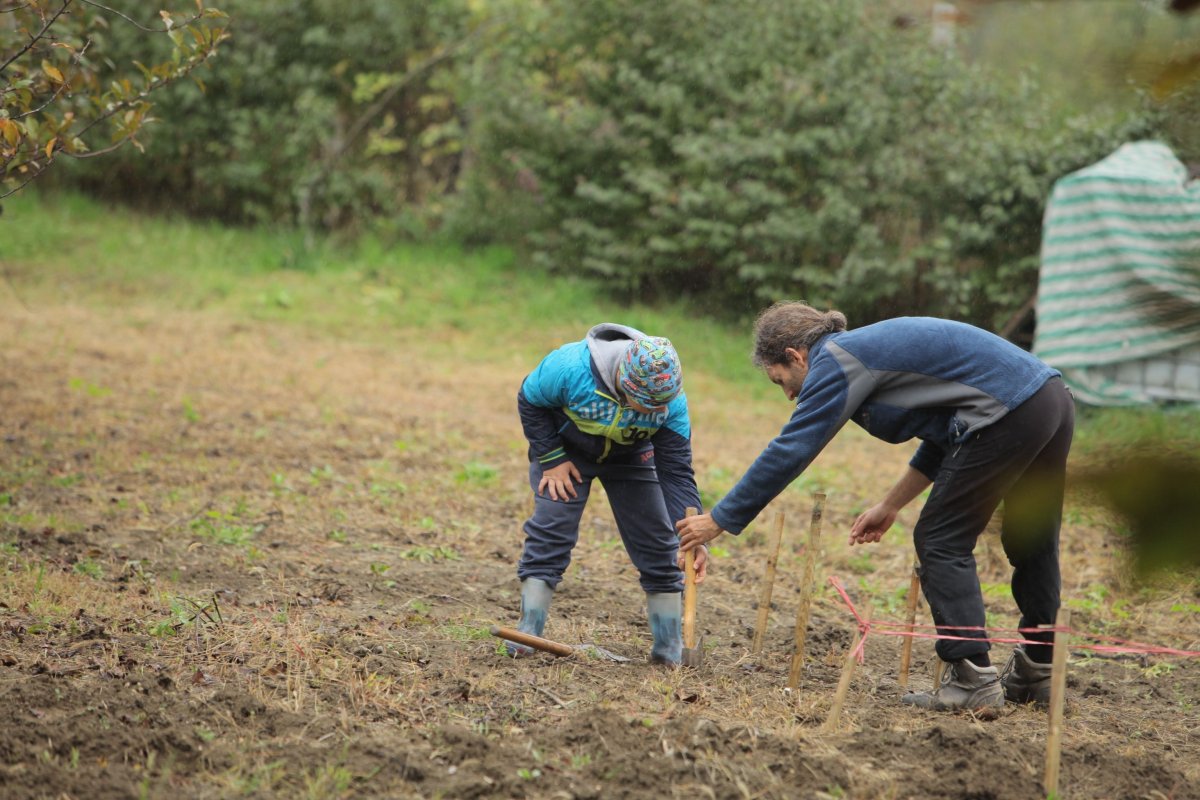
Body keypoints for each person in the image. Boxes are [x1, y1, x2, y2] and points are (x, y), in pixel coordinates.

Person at [677, 302, 1074, 709]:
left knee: (941, 538)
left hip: (1010, 410)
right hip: (1049, 400)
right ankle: (1038, 670)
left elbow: (792, 449)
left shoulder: (836, 361)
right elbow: (946, 438)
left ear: (796, 356)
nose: (790, 395)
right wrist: (890, 505)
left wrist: (719, 519)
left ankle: (973, 679)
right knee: (1033, 539)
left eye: (782, 380)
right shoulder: (870, 353)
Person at [511, 323, 708, 665]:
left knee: (659, 542)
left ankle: (668, 649)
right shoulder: (570, 368)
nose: (650, 413)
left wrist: (693, 534)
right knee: (551, 528)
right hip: (567, 451)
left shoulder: (671, 404)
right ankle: (528, 632)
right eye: (643, 405)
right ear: (622, 383)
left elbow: (676, 472)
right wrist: (552, 459)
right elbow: (530, 400)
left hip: (632, 456)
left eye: (657, 408)